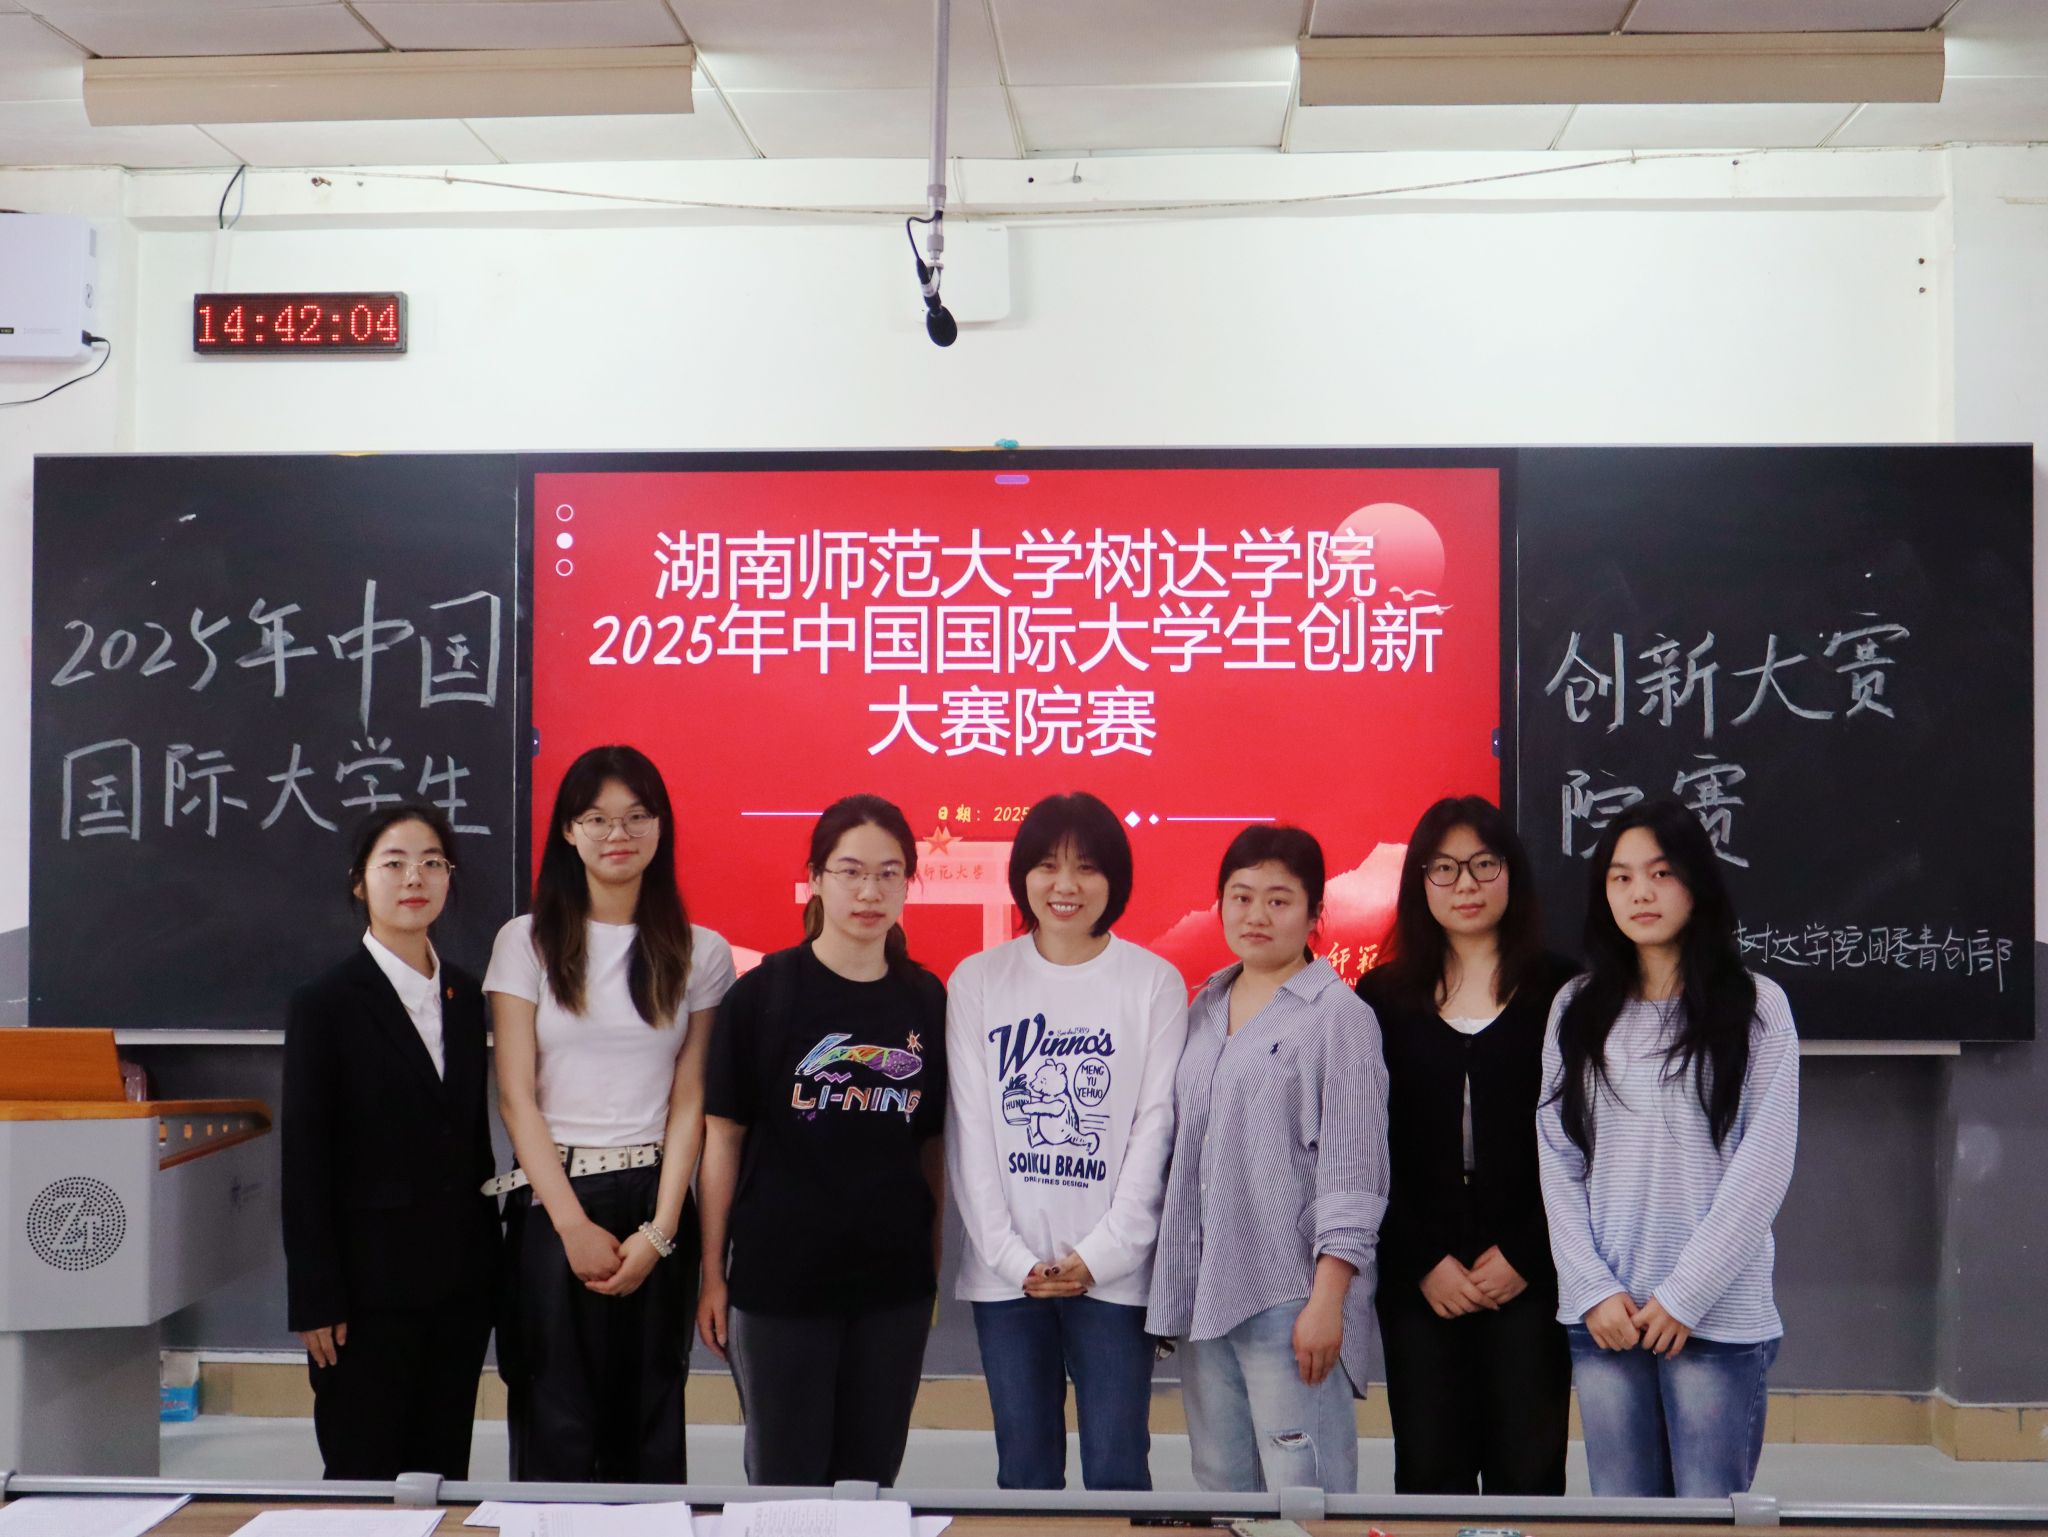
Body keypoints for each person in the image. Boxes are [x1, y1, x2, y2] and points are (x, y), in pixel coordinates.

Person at [484, 744, 735, 1483]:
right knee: (554, 1418)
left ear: (661, 827)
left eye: (636, 816)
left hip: (656, 1195)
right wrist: (570, 1225)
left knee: (649, 1422)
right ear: (569, 830)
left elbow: (691, 1100)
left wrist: (660, 1232)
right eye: (596, 818)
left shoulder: (700, 951)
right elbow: (516, 1097)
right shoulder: (525, 941)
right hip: (553, 1198)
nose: (617, 834)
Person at [1537, 799, 1799, 1499]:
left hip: (1714, 1316)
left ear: (1696, 883)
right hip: (1608, 1319)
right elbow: (1558, 1156)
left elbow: (1764, 1164)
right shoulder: (1576, 1008)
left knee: (1708, 1514)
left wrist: (1686, 1295)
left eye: (1661, 873)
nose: (1641, 893)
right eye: (1621, 878)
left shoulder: (1757, 1006)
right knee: (1623, 1514)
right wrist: (1591, 1288)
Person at [695, 795, 948, 1487]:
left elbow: (930, 1144)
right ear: (815, 878)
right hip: (781, 1286)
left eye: (889, 874)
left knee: (870, 1485)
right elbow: (722, 1141)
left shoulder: (926, 1000)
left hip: (892, 1291)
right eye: (851, 871)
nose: (870, 892)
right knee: (785, 1488)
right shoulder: (763, 995)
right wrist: (713, 1273)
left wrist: (928, 1262)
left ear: (908, 883)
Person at [947, 791, 1189, 1491]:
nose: (1066, 885)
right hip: (1006, 1278)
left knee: (1118, 1468)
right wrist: (1011, 1257)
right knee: (1024, 1471)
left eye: (1086, 867)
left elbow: (1155, 1130)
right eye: (1048, 866)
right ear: (1022, 874)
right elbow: (971, 1133)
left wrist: (1102, 1255)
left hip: (1114, 1278)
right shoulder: (978, 981)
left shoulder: (1154, 983)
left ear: (1114, 879)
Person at [1147, 825, 1388, 1494]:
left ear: (1315, 915)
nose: (1256, 914)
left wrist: (1328, 1301)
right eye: (1241, 896)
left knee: (1302, 1491)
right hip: (1207, 1292)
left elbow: (1354, 1172)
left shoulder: (1339, 1016)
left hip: (1291, 1296)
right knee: (1221, 1485)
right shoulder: (1204, 1004)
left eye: (1279, 900)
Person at [1355, 795, 1577, 1495]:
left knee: (1528, 1473)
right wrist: (1422, 1259)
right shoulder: (1382, 996)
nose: (1466, 885)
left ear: (1512, 872)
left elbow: (1587, 1141)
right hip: (1422, 1275)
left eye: (1484, 864)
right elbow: (1365, 1149)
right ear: (1420, 881)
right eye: (1445, 868)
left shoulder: (1563, 990)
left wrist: (1528, 1253)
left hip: (1532, 1269)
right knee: (1430, 1470)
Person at [282, 803, 499, 1480]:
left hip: (459, 1289)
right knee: (364, 1479)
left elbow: (472, 1141)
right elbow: (305, 1160)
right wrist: (315, 1296)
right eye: (395, 863)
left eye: (433, 862)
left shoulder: (466, 995)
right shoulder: (325, 1003)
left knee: (442, 1476)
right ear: (360, 881)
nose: (415, 878)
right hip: (363, 1296)